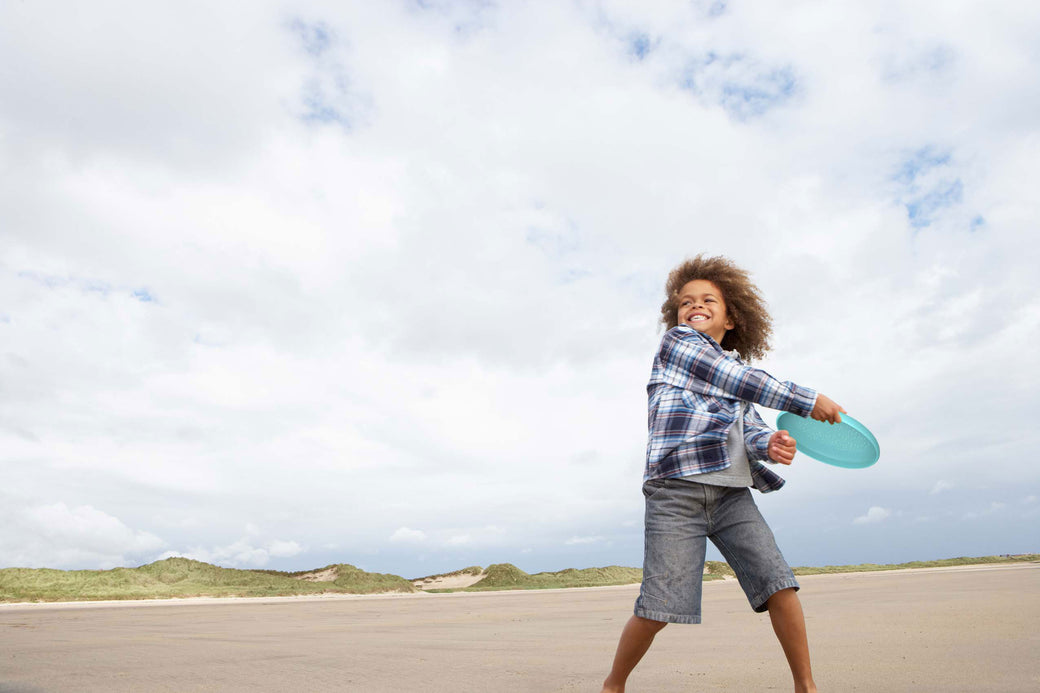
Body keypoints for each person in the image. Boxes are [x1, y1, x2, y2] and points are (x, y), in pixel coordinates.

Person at [600, 255, 844, 693]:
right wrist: (806, 400)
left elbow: (747, 429)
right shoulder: (678, 346)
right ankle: (613, 685)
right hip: (676, 494)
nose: (695, 305)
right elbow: (734, 376)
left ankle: (806, 687)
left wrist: (768, 443)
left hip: (732, 496)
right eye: (685, 302)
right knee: (659, 607)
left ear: (731, 317)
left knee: (779, 585)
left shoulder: (735, 382)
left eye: (708, 299)